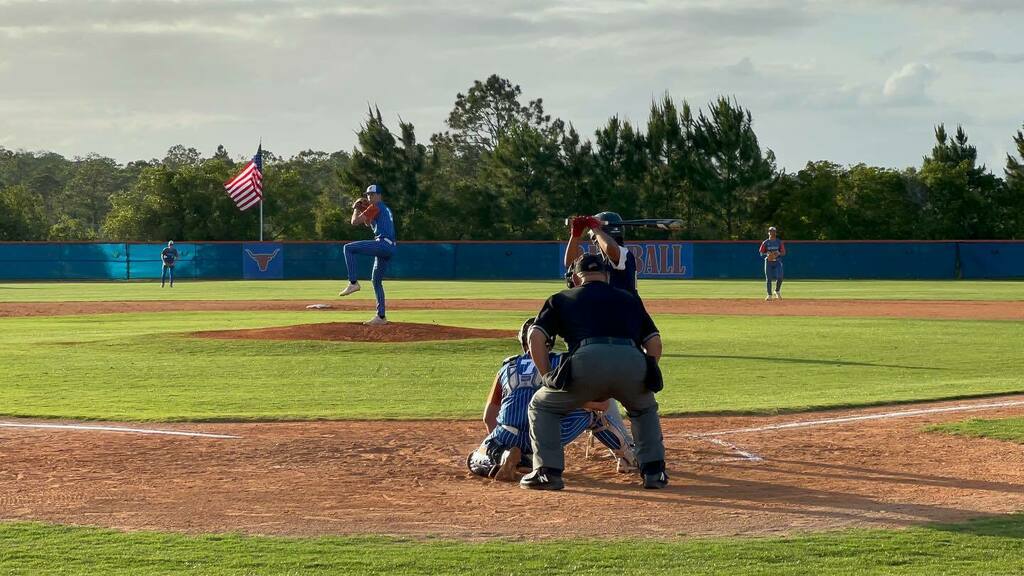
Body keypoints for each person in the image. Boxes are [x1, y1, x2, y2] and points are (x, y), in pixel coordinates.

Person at [522, 253, 668, 491]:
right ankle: (654, 473)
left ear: (577, 278)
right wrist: (648, 370)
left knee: (543, 405)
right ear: (606, 276)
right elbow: (654, 344)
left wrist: (548, 375)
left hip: (586, 361)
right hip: (632, 360)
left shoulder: (561, 298)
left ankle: (548, 472)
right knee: (644, 409)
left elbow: (534, 336)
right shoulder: (630, 298)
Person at [467, 318, 637, 482]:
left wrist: (499, 442)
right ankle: (628, 457)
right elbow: (602, 404)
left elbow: (489, 417)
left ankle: (505, 456)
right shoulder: (561, 362)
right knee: (593, 415)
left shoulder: (507, 367)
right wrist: (579, 403)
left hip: (508, 434)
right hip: (547, 434)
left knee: (475, 458)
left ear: (523, 341)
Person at [338, 184, 396, 325]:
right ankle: (381, 317)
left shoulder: (376, 206)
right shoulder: (382, 208)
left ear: (379, 195)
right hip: (390, 247)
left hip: (383, 244)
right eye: (368, 194)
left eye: (372, 194)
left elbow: (355, 222)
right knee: (376, 281)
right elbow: (368, 222)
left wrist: (356, 208)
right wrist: (364, 209)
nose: (369, 197)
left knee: (348, 248)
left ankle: (353, 283)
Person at [564, 212, 638, 294]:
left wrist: (595, 228)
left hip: (624, 306)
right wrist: (575, 235)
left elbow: (610, 248)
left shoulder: (624, 254)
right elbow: (571, 266)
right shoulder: (598, 259)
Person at [759, 226, 786, 301]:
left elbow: (784, 252)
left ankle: (777, 291)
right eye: (770, 231)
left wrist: (778, 253)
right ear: (768, 232)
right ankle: (769, 295)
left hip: (777, 261)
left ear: (775, 233)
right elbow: (761, 252)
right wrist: (767, 254)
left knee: (780, 277)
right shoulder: (765, 242)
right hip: (768, 262)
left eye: (773, 231)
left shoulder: (779, 242)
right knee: (769, 279)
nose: (772, 233)